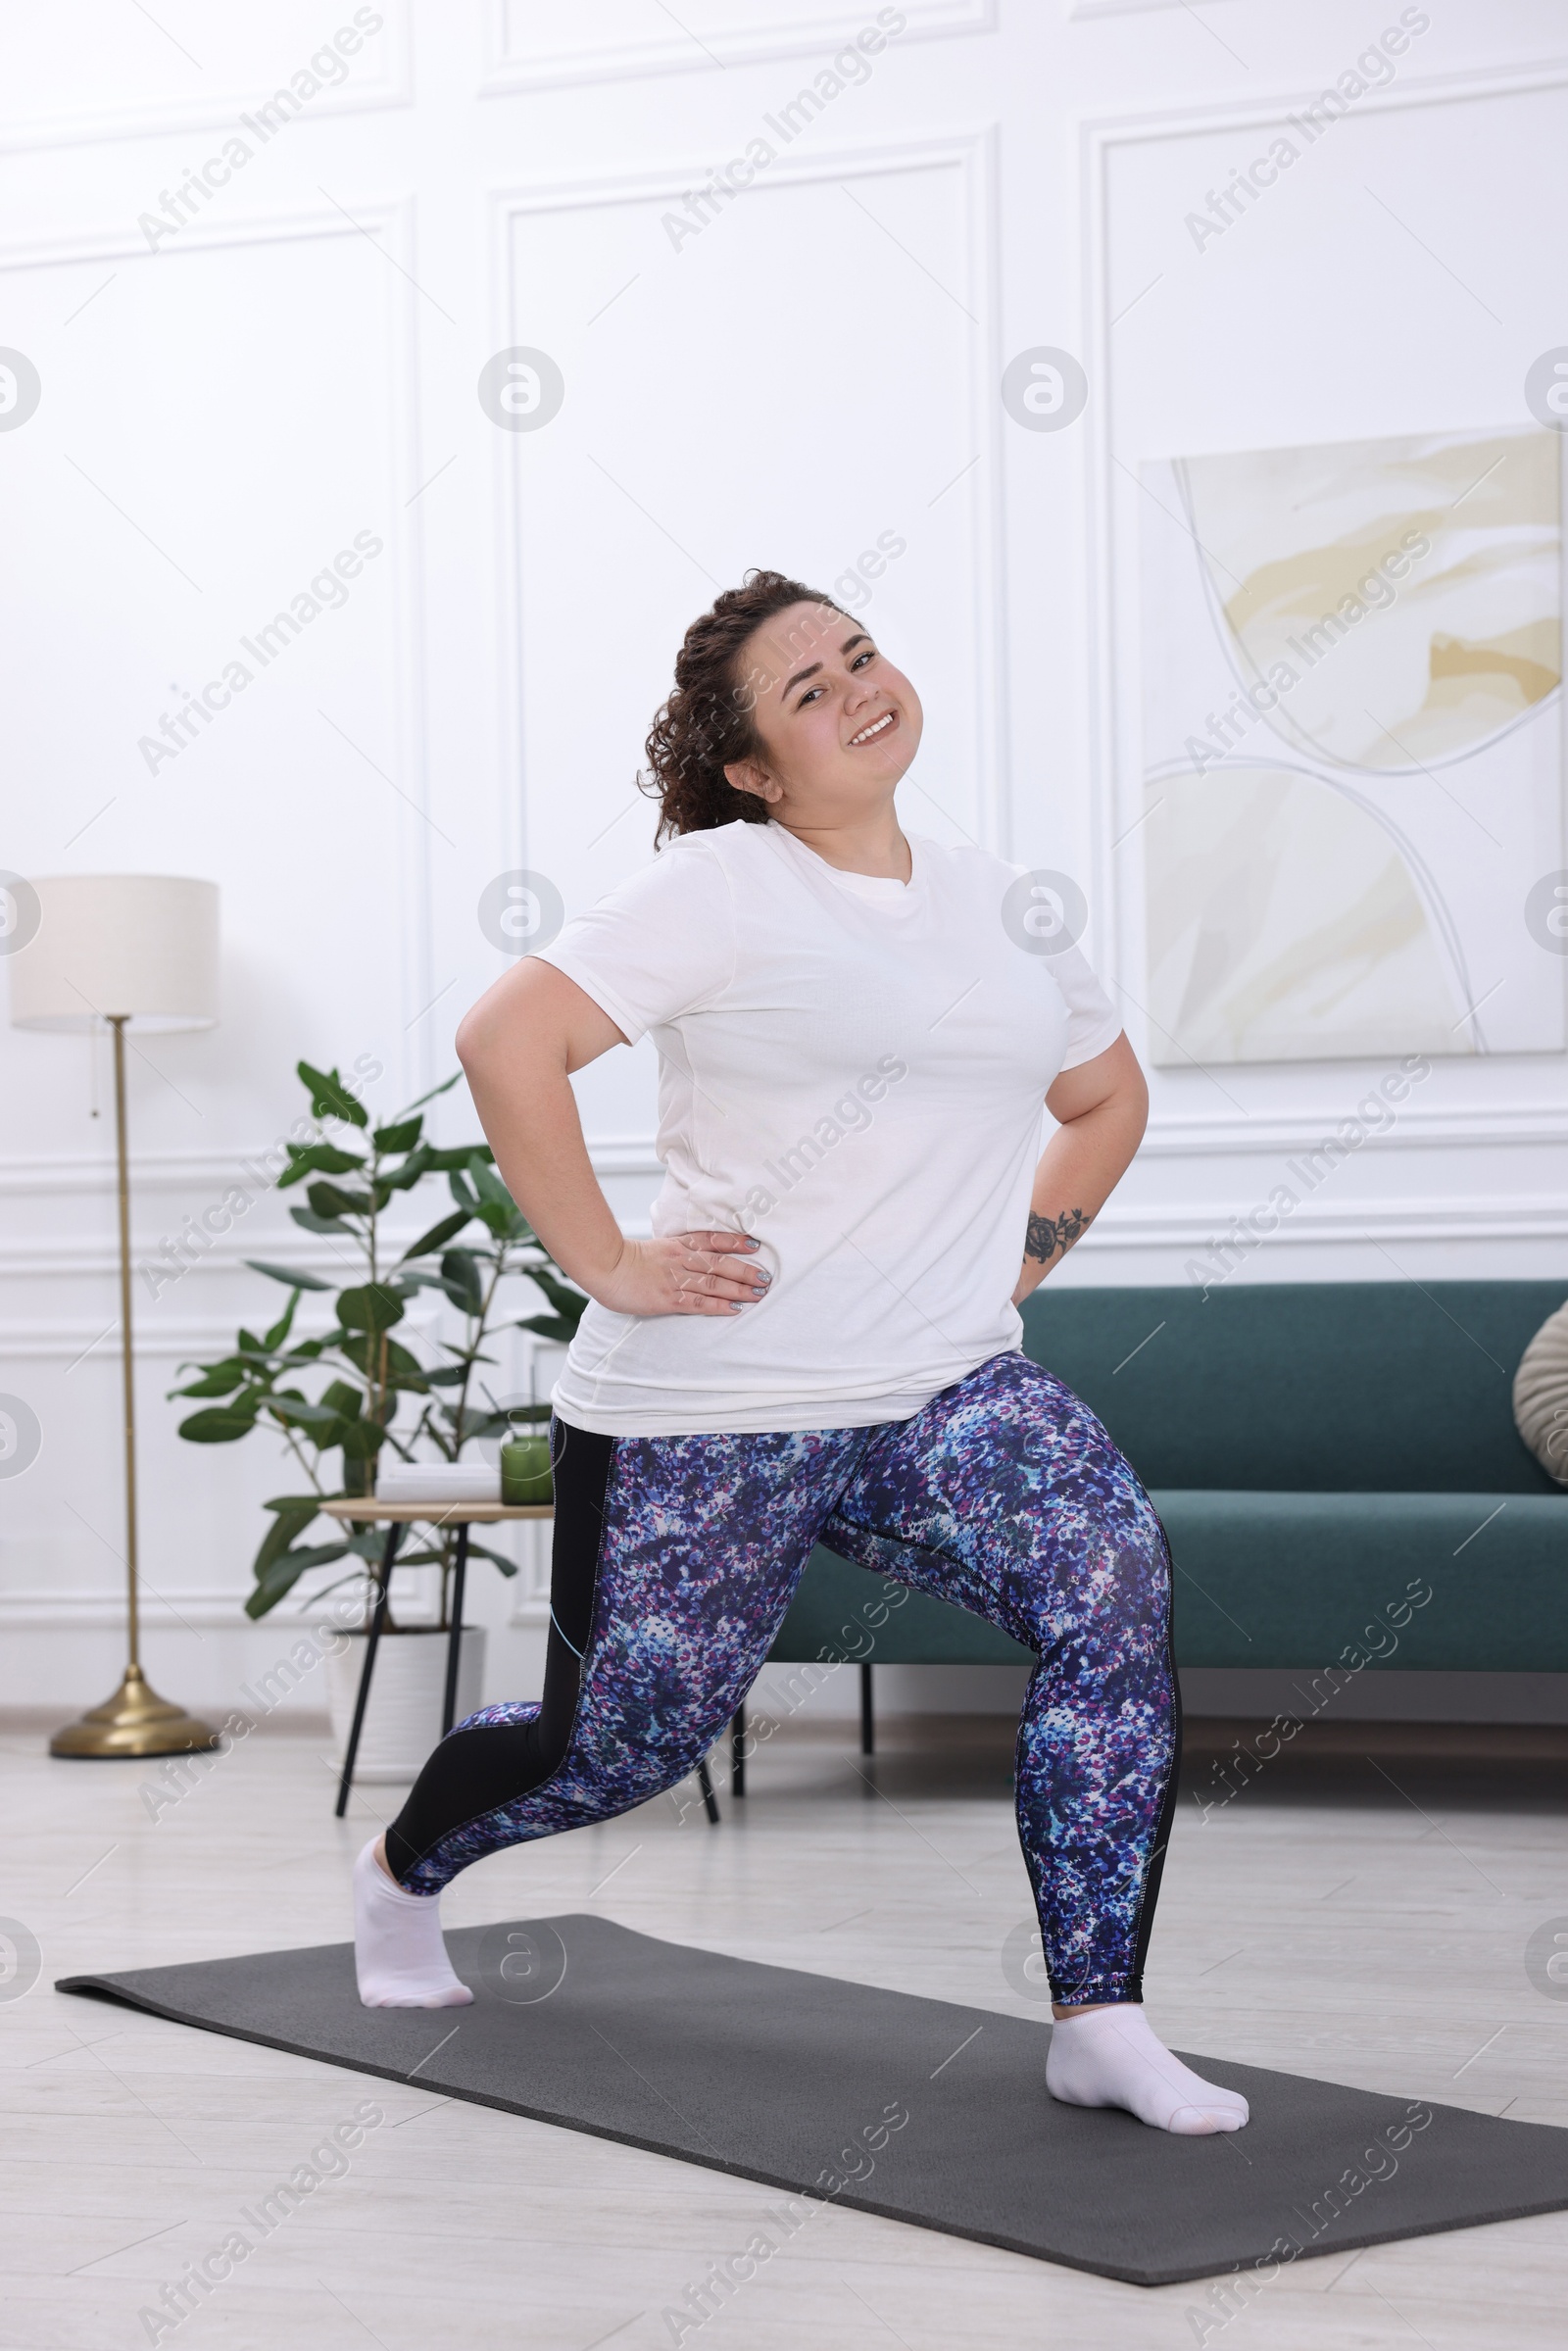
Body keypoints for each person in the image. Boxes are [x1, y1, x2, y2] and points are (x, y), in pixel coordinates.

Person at [352, 569, 1248, 2136]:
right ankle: (399, 1881)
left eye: (860, 654)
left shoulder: (1005, 898)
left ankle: (1099, 2012)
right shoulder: (721, 886)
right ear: (756, 769)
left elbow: (1106, 1098)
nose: (860, 689)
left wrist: (1015, 1266)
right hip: (714, 1409)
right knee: (618, 1744)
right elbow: (510, 1041)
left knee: (1114, 1593)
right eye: (810, 693)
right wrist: (611, 1264)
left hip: (943, 1391)